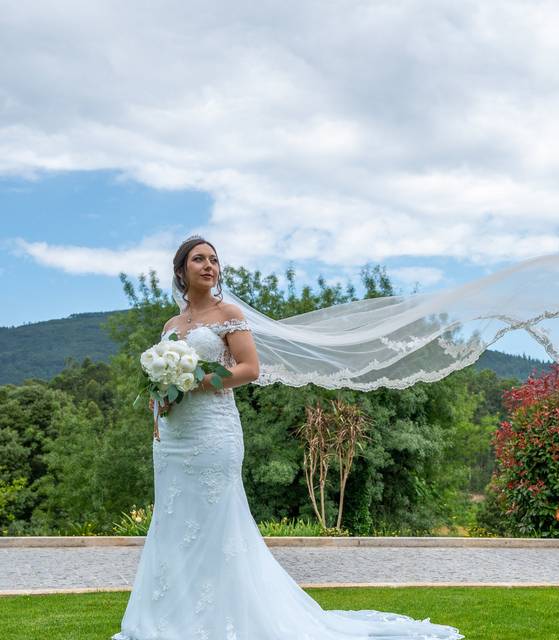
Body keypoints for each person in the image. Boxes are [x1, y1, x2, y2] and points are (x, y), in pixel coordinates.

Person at [112, 235, 464, 639]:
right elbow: (162, 379)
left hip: (213, 429)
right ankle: (173, 618)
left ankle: (224, 618)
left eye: (214, 259)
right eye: (198, 259)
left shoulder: (229, 313)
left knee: (215, 523)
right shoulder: (171, 326)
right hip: (173, 435)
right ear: (181, 271)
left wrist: (203, 380)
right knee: (174, 522)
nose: (209, 265)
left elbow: (248, 368)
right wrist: (162, 406)